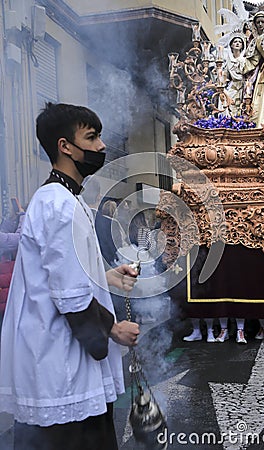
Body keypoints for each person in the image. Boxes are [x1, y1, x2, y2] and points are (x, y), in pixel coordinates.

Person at [0, 102, 140, 450]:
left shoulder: (61, 198)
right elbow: (70, 296)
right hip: (59, 364)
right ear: (65, 146)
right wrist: (113, 330)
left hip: (57, 360)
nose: (101, 147)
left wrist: (104, 276)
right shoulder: (59, 204)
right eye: (91, 138)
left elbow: (56, 273)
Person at [224, 33, 246, 117]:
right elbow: (226, 77)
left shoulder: (244, 60)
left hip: (243, 86)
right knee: (227, 101)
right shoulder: (229, 61)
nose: (237, 43)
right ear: (231, 45)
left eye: (239, 42)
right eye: (235, 41)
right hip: (233, 86)